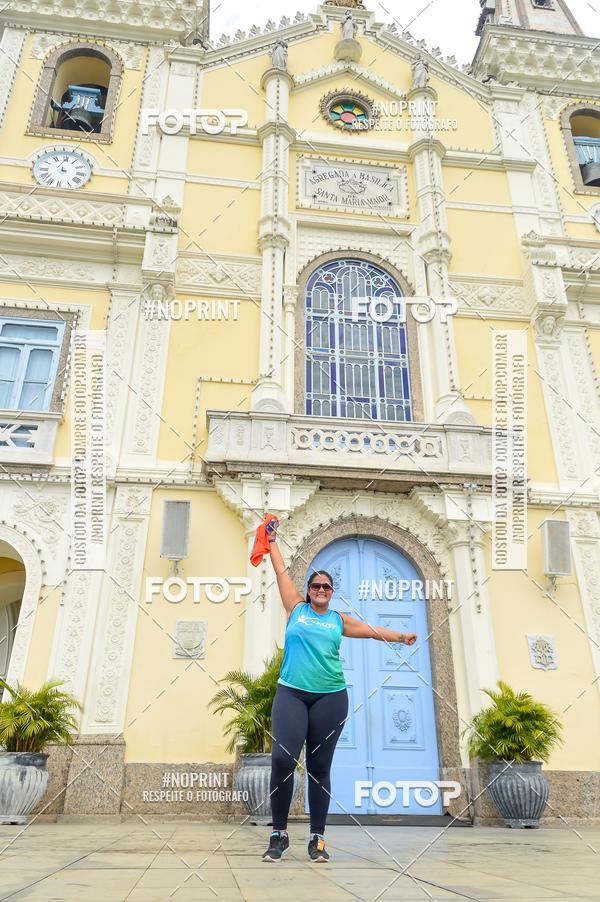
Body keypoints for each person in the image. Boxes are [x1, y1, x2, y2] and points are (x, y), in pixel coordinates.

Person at [261, 516, 417, 863]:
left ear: (332, 593)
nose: (320, 590)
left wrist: (400, 636)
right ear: (308, 591)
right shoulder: (295, 609)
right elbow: (282, 573)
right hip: (292, 693)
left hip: (331, 697)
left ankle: (317, 838)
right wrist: (271, 541)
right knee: (283, 759)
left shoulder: (338, 620)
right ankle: (279, 833)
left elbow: (372, 630)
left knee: (319, 767)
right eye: (315, 586)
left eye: (326, 587)